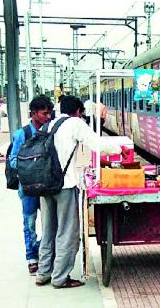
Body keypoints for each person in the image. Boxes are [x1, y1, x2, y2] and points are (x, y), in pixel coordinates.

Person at [36, 95, 122, 289]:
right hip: (64, 186)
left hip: (44, 185)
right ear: (77, 111)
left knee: (48, 230)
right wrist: (119, 150)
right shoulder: (74, 123)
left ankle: (43, 273)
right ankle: (60, 277)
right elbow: (97, 144)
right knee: (67, 232)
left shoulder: (49, 124)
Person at [9, 96, 54, 275]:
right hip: (27, 189)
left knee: (50, 222)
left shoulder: (50, 131)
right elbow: (13, 160)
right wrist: (31, 164)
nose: (48, 116)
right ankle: (32, 258)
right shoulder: (22, 134)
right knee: (29, 222)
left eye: (49, 113)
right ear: (34, 113)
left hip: (46, 187)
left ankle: (43, 252)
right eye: (45, 113)